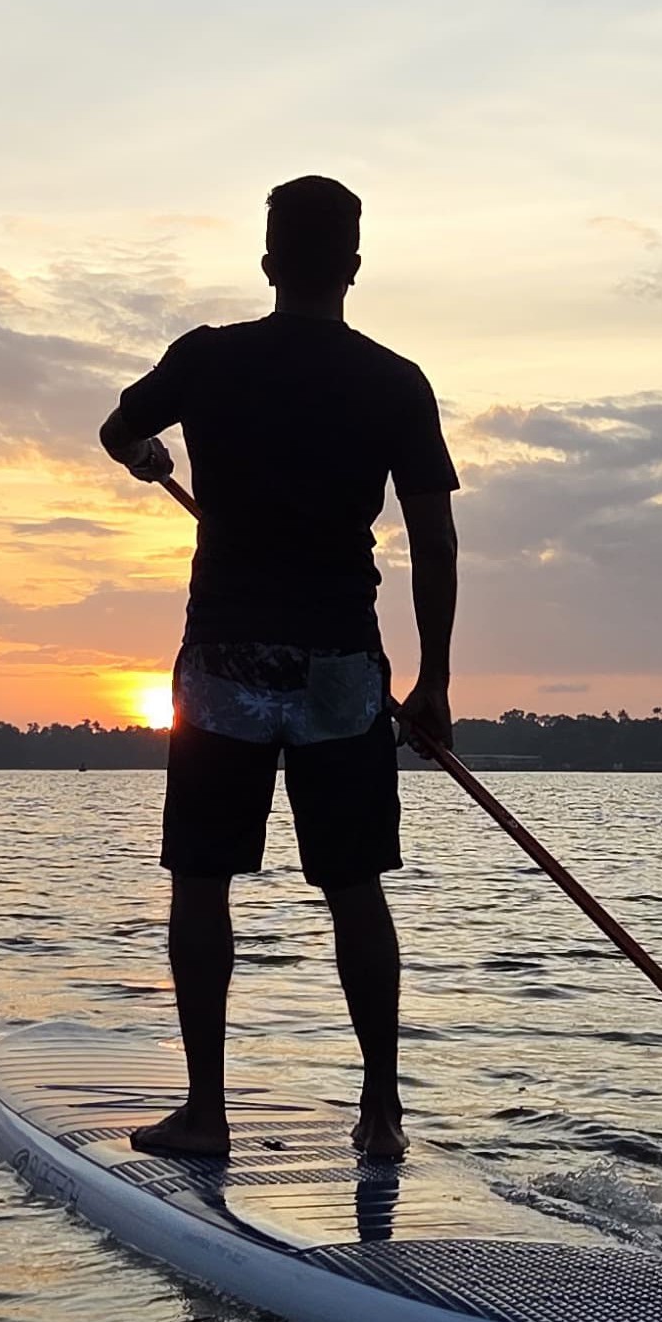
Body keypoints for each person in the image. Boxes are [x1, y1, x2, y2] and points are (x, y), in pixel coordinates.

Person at [99, 174, 459, 1161]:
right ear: (350, 266)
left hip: (224, 655)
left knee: (201, 878)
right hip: (343, 658)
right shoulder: (394, 379)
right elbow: (434, 542)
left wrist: (143, 459)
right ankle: (380, 1113)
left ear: (267, 263)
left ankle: (206, 1111)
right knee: (352, 884)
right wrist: (431, 681)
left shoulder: (206, 359)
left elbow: (116, 428)